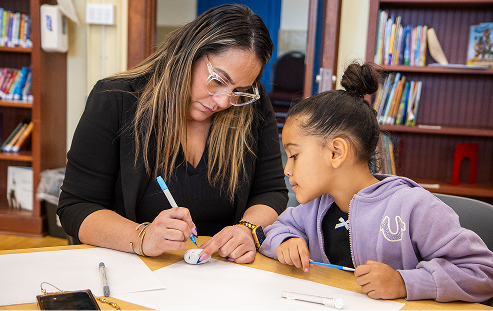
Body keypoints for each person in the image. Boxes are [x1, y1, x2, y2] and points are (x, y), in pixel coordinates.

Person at [57, 3, 288, 264]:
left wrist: (247, 229)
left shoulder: (252, 109)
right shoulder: (116, 99)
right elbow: (76, 207)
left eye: (239, 91)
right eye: (219, 80)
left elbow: (271, 191)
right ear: (189, 53)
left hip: (222, 272)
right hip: (136, 269)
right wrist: (142, 236)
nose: (224, 102)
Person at [259, 62, 493, 302]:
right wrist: (286, 241)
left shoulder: (413, 207)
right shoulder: (314, 207)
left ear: (336, 152)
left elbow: (483, 271)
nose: (287, 170)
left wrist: (404, 283)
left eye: (294, 156)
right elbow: (274, 230)